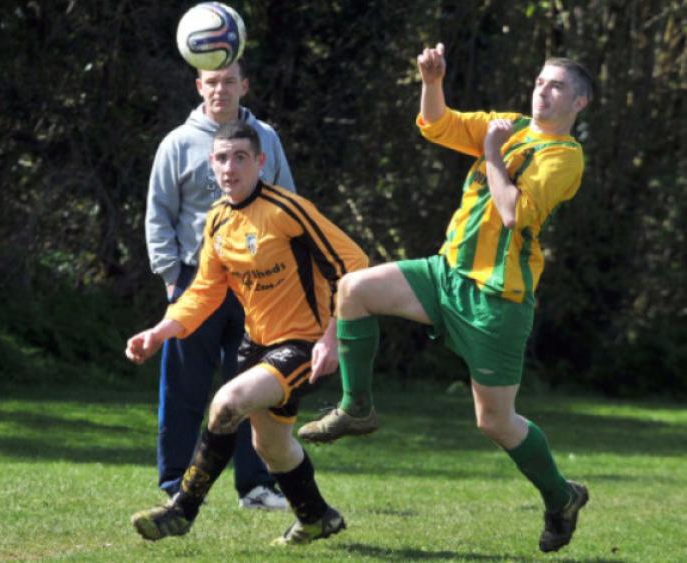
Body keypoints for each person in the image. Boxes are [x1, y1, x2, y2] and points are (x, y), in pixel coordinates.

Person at [298, 43, 593, 553]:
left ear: (579, 103)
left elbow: (512, 213)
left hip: (496, 301)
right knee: (353, 290)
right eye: (540, 81)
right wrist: (431, 81)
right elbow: (438, 124)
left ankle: (560, 495)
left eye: (556, 86)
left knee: (495, 421)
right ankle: (356, 408)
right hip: (445, 273)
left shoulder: (565, 157)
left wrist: (493, 154)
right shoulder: (509, 123)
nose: (543, 90)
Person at [127, 121, 369, 544]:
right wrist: (160, 331)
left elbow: (354, 265)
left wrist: (333, 337)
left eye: (241, 157)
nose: (230, 167)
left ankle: (180, 511)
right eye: (222, 158)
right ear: (211, 165)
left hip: (305, 344)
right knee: (271, 446)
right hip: (256, 346)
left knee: (227, 403)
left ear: (260, 162)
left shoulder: (287, 210)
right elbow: (204, 290)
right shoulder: (218, 220)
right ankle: (317, 517)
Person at [146, 59, 295, 509]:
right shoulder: (177, 143)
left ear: (244, 85)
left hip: (256, 282)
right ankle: (175, 484)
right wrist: (173, 278)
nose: (221, 90)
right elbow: (159, 214)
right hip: (196, 280)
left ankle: (255, 487)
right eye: (212, 82)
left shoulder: (265, 137)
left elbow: (289, 202)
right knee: (184, 388)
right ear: (199, 85)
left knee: (251, 387)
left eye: (230, 81)